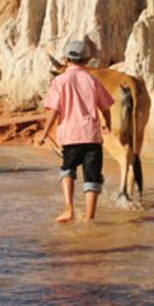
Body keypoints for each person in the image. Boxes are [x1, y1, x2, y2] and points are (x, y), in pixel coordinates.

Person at [36, 39, 113, 222]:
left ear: (65, 59)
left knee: (67, 169)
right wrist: (107, 124)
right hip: (92, 136)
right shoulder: (93, 80)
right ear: (87, 60)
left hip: (70, 136)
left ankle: (69, 208)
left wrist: (45, 133)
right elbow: (106, 107)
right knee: (92, 177)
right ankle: (89, 218)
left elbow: (54, 110)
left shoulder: (59, 81)